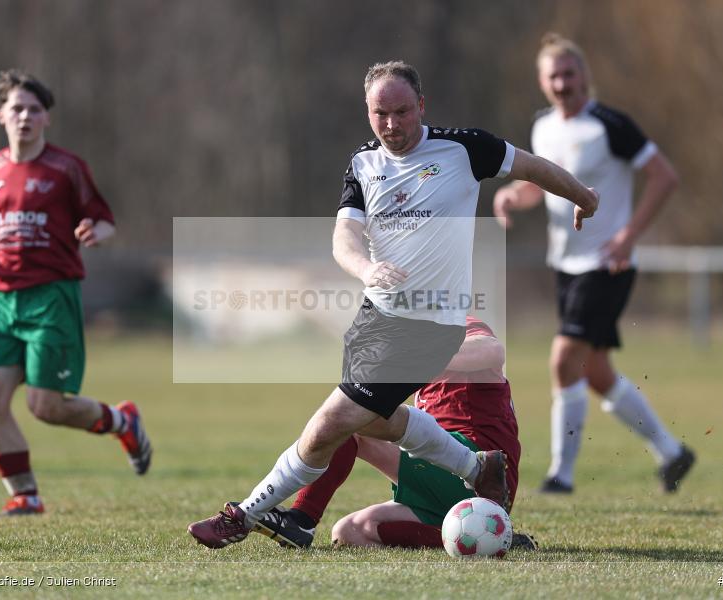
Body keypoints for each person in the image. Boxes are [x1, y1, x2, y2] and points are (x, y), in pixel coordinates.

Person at [188, 60, 598, 549]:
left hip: (429, 323)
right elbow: (344, 236)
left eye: (402, 112)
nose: (391, 124)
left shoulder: (464, 148)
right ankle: (477, 467)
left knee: (328, 426)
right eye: (380, 113)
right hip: (374, 320)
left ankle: (244, 514)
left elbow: (532, 167)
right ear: (367, 111)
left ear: (421, 106)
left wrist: (583, 198)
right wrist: (366, 269)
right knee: (368, 420)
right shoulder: (363, 164)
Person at [0, 69, 152, 516]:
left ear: (46, 119)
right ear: (2, 115)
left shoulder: (67, 168)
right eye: (17, 108)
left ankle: (122, 421)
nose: (25, 116)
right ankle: (25, 494)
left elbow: (104, 217)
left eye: (34, 109)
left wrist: (96, 231)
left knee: (45, 406)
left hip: (51, 298)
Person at [493, 34, 695, 494]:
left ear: (584, 75)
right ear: (542, 82)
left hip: (606, 265)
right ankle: (672, 452)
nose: (563, 83)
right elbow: (545, 185)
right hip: (565, 265)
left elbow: (665, 177)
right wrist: (511, 195)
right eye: (553, 76)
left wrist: (628, 236)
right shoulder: (543, 127)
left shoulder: (609, 125)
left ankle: (560, 476)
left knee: (564, 358)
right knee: (595, 371)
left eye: (569, 73)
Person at [249, 317, 537, 551]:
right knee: (349, 532)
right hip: (444, 482)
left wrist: (419, 357)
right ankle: (491, 535)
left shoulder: (456, 326)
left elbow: (492, 350)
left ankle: (301, 519)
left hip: (484, 475)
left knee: (352, 423)